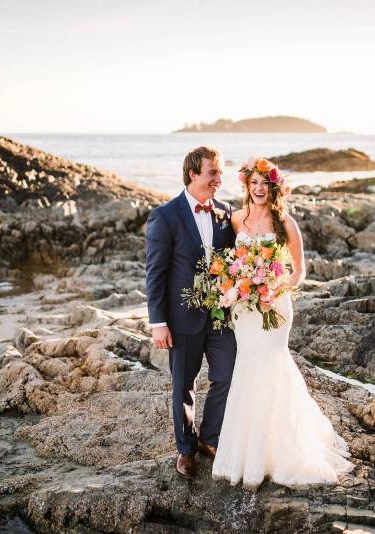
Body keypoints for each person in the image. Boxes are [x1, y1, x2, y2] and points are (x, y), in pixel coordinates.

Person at [211, 157, 354, 489]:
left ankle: (283, 452)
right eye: (254, 183)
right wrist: (233, 287)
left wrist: (274, 287)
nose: (259, 189)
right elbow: (226, 262)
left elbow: (299, 270)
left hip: (275, 307)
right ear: (246, 187)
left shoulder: (285, 222)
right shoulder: (235, 220)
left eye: (265, 183)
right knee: (246, 369)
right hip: (244, 310)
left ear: (273, 188)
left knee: (273, 366)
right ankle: (246, 454)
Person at [145, 146, 237, 479]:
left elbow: (235, 261)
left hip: (220, 315)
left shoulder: (227, 213)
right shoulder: (165, 216)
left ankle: (210, 438)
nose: (219, 179)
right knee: (184, 385)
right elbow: (155, 272)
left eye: (221, 173)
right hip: (182, 318)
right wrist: (158, 322)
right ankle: (185, 449)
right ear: (192, 174)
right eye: (213, 172)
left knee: (227, 375)